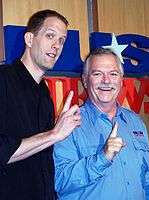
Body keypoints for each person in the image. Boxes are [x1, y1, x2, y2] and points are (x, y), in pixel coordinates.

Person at [53, 48, 149, 200]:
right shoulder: (68, 124)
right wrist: (102, 158)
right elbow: (59, 181)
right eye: (97, 74)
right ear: (85, 80)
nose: (106, 81)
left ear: (121, 81)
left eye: (113, 74)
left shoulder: (136, 122)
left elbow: (148, 176)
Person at [0, 9, 81, 200]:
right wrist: (54, 134)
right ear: (29, 39)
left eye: (61, 40)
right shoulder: (3, 80)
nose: (56, 46)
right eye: (50, 36)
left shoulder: (44, 93)